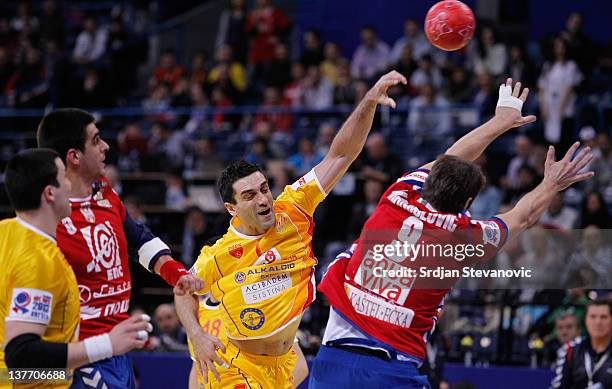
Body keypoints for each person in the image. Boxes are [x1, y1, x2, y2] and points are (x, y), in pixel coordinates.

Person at [311, 78, 594, 388]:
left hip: (331, 360)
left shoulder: (399, 193)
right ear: (469, 202)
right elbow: (522, 217)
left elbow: (452, 156)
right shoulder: (464, 238)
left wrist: (499, 121)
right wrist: (551, 183)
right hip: (392, 370)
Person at [176, 71, 408, 388]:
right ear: (232, 208)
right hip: (239, 369)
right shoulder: (219, 254)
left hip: (285, 365)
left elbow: (340, 154)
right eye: (249, 195)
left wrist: (366, 103)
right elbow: (182, 290)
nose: (263, 199)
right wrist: (197, 336)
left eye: (264, 188)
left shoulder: (294, 208)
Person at [36, 109, 203, 388]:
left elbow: (137, 238)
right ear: (74, 156)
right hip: (79, 355)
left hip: (117, 347)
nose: (106, 146)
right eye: (96, 140)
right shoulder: (45, 217)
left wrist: (176, 274)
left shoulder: (104, 192)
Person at [0, 149, 151, 387]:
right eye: (64, 178)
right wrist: (107, 344)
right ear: (50, 193)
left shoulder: (6, 231)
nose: (71, 186)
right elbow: (21, 360)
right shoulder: (39, 261)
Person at [550, 299, 612, 389]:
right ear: (585, 320)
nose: (598, 322)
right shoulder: (570, 349)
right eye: (593, 317)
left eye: (603, 317)